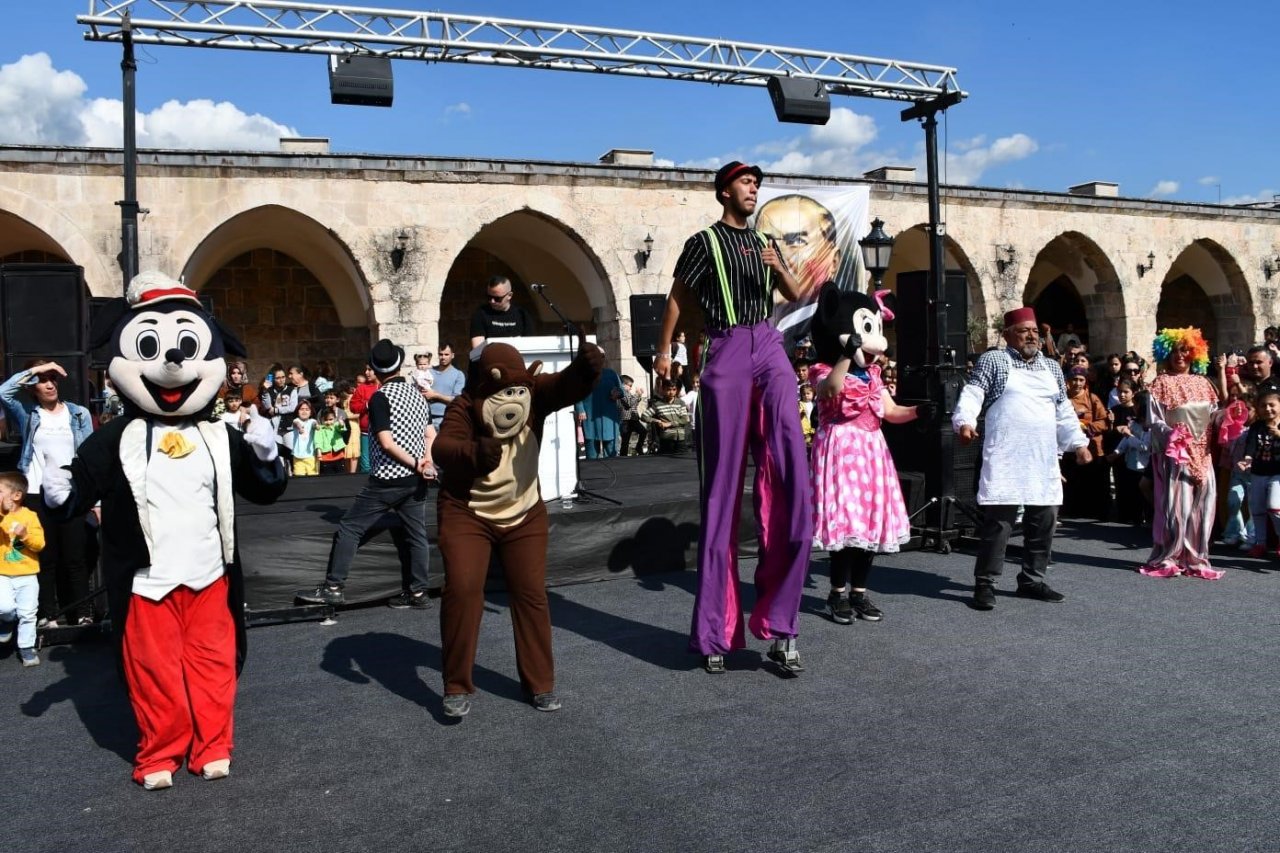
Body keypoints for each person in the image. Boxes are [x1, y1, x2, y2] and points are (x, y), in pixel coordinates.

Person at [656, 160, 813, 674]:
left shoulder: (764, 242)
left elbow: (793, 295)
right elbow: (679, 296)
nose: (755, 190)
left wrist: (778, 264)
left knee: (792, 474)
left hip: (767, 343)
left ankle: (782, 627)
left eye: (757, 184)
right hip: (724, 345)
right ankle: (717, 632)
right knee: (722, 489)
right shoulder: (704, 242)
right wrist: (664, 352)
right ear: (726, 190)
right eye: (747, 183)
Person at [953, 307, 1090, 610]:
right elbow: (974, 393)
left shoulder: (1052, 367)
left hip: (1042, 458)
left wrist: (1078, 443)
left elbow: (1063, 410)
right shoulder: (995, 360)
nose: (1031, 336)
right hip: (1006, 454)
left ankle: (1032, 579)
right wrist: (965, 421)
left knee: (1044, 522)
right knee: (998, 525)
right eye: (1023, 331)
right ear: (1007, 335)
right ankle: (985, 584)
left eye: (1034, 332)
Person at [807, 284, 928, 626]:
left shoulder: (874, 376)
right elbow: (830, 390)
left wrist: (920, 412)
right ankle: (836, 593)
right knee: (846, 525)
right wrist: (847, 353)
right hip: (840, 450)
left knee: (869, 525)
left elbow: (890, 412)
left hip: (872, 451)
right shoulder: (820, 368)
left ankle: (859, 592)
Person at [298, 340, 436, 609]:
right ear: (399, 364)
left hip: (388, 479)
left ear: (375, 369)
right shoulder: (418, 395)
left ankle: (334, 587)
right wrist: (426, 460)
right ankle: (419, 593)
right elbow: (430, 433)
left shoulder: (380, 398)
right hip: (416, 479)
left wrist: (418, 461)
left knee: (350, 527)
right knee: (416, 535)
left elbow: (386, 442)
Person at [0, 360, 94, 626]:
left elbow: (88, 458)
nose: (50, 384)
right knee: (46, 558)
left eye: (53, 378)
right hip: (35, 494)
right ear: (33, 388)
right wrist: (35, 370)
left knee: (76, 557)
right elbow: (4, 392)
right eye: (43, 380)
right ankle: (47, 615)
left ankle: (83, 613)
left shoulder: (79, 414)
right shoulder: (28, 414)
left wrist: (94, 501)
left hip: (69, 493)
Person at [1139, 327, 1222, 579]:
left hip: (1203, 452)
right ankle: (1169, 556)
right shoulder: (1161, 383)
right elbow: (1155, 420)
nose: (1180, 355)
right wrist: (1171, 435)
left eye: (1185, 350)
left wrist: (1228, 418)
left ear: (1195, 353)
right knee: (1177, 507)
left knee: (1204, 504)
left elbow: (1213, 415)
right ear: (1166, 353)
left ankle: (1196, 557)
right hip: (1176, 453)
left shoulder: (1205, 384)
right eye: (1175, 351)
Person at [0, 471, 45, 667]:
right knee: (5, 607)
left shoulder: (30, 516)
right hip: (2, 572)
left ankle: (26, 648)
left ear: (16, 496)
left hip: (27, 574)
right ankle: (7, 620)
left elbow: (40, 544)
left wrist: (25, 535)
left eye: (0, 491)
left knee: (28, 613)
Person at [1062, 366, 1111, 519]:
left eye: (1081, 380)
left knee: (1093, 485)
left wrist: (1085, 426)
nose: (1077, 383)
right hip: (1069, 452)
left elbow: (1104, 422)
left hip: (1092, 450)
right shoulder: (1063, 399)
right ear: (1068, 381)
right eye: (1074, 379)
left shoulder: (1092, 398)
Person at [1241, 389, 1280, 559]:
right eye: (1263, 405)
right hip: (1258, 473)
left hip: (1277, 474)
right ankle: (1260, 543)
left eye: (1272, 405)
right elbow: (1250, 447)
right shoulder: (1256, 427)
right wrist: (1247, 460)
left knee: (1274, 507)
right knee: (1257, 509)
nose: (1268, 409)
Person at [468, 275, 536, 350]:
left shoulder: (522, 315)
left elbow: (530, 344)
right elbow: (478, 348)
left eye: (497, 298)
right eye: (489, 297)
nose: (492, 301)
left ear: (509, 295)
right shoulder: (480, 314)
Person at [574, 356, 624, 458]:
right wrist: (580, 409)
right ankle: (593, 472)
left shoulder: (611, 373)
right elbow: (576, 393)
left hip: (608, 416)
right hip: (590, 416)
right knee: (591, 451)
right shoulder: (583, 375)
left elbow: (622, 390)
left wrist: (617, 393)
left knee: (611, 451)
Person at [643, 379, 693, 454]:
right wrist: (657, 421)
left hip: (681, 439)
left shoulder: (680, 403)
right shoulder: (658, 404)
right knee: (667, 463)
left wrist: (669, 424)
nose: (671, 392)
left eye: (674, 389)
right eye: (668, 389)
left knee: (683, 462)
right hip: (666, 438)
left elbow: (685, 419)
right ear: (663, 389)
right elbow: (644, 416)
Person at [426, 343, 467, 432]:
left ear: (452, 355)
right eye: (441, 354)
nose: (443, 357)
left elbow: (457, 400)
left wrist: (435, 395)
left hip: (446, 419)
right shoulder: (429, 372)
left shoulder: (458, 375)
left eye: (446, 354)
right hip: (427, 419)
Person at [315, 406, 349, 476]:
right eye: (326, 420)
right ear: (321, 419)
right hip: (326, 458)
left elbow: (341, 428)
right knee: (328, 478)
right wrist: (319, 452)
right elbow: (318, 441)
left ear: (335, 418)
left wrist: (341, 424)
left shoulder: (335, 425)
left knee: (341, 477)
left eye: (331, 419)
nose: (328, 422)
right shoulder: (319, 429)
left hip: (339, 456)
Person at [289, 399, 318, 477]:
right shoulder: (296, 420)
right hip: (297, 455)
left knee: (313, 477)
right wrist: (300, 428)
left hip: (311, 455)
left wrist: (317, 426)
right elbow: (296, 423)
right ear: (297, 411)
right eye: (301, 409)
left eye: (307, 409)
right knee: (299, 477)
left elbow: (315, 424)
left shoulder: (312, 421)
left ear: (311, 412)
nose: (304, 411)